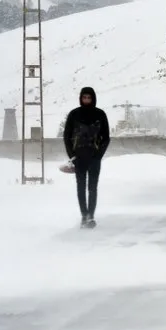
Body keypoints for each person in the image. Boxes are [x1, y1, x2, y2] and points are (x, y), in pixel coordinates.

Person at [63, 87, 111, 228]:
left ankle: (91, 216)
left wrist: (99, 155)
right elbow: (67, 137)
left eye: (89, 97)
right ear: (81, 98)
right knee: (81, 187)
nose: (86, 100)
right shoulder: (74, 115)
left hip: (94, 157)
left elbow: (106, 138)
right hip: (79, 157)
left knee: (92, 188)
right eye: (84, 97)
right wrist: (72, 156)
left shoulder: (100, 114)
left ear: (93, 98)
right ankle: (84, 215)